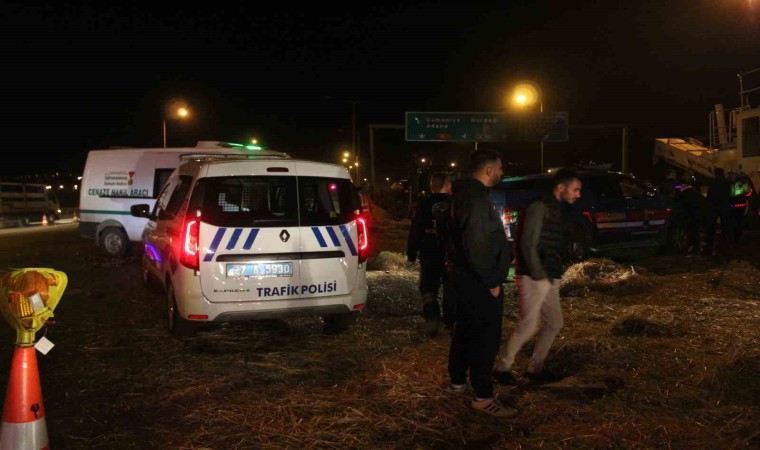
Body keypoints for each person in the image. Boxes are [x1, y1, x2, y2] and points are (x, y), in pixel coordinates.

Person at [493, 169, 582, 383]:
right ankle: (502, 368)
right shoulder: (539, 207)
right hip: (535, 275)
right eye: (575, 189)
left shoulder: (554, 208)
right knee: (528, 325)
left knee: (555, 322)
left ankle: (535, 368)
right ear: (560, 187)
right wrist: (538, 273)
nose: (579, 194)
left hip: (547, 273)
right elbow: (527, 243)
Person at [445, 149, 515, 418]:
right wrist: (492, 281)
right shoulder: (475, 200)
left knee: (465, 330)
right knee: (485, 339)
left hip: (467, 278)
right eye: (500, 167)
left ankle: (457, 382)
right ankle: (483, 396)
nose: (502, 172)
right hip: (479, 282)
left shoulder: (465, 196)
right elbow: (476, 244)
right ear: (488, 170)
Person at [406, 172, 455, 337]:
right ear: (448, 185)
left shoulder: (424, 203)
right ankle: (451, 323)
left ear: (432, 186)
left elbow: (416, 229)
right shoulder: (455, 203)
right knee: (451, 289)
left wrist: (411, 252)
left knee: (428, 288)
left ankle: (432, 319)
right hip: (451, 255)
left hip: (429, 253)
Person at [704, 167, 732, 255]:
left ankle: (711, 244)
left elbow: (709, 195)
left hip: (715, 206)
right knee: (725, 226)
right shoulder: (726, 182)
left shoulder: (714, 182)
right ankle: (724, 243)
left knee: (711, 226)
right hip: (723, 206)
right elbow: (729, 193)